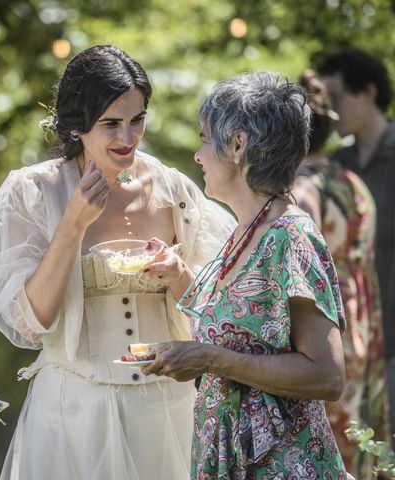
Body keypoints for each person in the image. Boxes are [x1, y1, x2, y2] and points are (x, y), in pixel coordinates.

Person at [0, 44, 235, 480]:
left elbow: (220, 313)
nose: (127, 138)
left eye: (137, 120)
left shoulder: (174, 190)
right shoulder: (33, 193)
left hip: (166, 411)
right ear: (77, 126)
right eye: (111, 124)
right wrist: (72, 226)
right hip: (73, 412)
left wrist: (178, 276)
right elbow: (30, 323)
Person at [143, 72, 348, 477]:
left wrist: (210, 359)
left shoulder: (290, 236)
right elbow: (241, 329)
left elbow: (328, 375)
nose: (198, 155)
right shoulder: (244, 230)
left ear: (238, 145)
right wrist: (181, 276)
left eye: (205, 139)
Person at [293, 70, 387, 478]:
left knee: (332, 436)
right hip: (364, 313)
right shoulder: (353, 182)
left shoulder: (303, 190)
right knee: (361, 426)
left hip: (332, 317)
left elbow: (304, 264)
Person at [316, 47, 395, 439]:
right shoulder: (337, 166)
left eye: (336, 97)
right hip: (355, 343)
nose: (329, 110)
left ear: (367, 92)